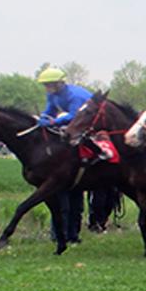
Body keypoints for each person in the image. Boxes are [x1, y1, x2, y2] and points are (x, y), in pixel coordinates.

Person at [36, 67, 93, 244]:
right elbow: (50, 110)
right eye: (45, 85)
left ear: (58, 83)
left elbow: (75, 116)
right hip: (72, 123)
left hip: (88, 124)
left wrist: (54, 121)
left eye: (48, 85)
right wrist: (43, 118)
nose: (46, 88)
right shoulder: (53, 94)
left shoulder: (75, 95)